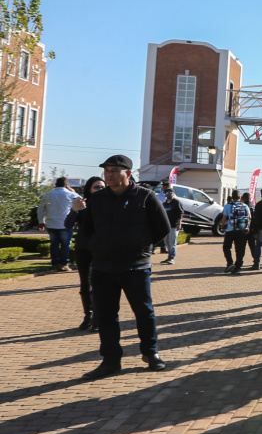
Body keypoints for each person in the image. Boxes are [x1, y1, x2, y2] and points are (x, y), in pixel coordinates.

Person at [80, 155, 171, 380]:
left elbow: (163, 227)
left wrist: (142, 248)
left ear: (127, 174)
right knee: (106, 315)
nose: (109, 175)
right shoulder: (97, 199)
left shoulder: (145, 197)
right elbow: (87, 229)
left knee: (143, 312)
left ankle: (151, 353)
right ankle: (110, 361)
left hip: (135, 268)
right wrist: (97, 247)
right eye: (106, 171)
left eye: (114, 171)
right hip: (102, 268)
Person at [65, 176, 105, 331]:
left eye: (102, 187)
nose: (100, 190)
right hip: (83, 248)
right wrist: (75, 210)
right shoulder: (81, 204)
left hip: (101, 249)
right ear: (89, 189)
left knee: (99, 284)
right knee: (85, 284)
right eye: (96, 187)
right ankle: (87, 315)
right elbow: (67, 224)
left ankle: (97, 317)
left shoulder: (108, 204)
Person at [37, 177, 80, 272]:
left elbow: (41, 209)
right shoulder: (71, 194)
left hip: (51, 223)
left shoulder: (47, 194)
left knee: (54, 244)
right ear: (66, 185)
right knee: (65, 245)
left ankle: (55, 264)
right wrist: (73, 191)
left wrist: (41, 221)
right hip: (66, 224)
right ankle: (64, 264)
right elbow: (82, 204)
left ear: (56, 184)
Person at [221, 190, 251, 274]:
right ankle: (238, 267)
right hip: (241, 230)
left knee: (226, 247)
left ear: (232, 197)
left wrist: (222, 226)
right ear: (240, 197)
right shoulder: (245, 206)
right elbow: (249, 217)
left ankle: (230, 263)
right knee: (240, 249)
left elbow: (224, 218)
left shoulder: (228, 206)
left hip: (230, 230)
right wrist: (247, 227)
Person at [160, 186, 183, 265]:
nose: (169, 194)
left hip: (174, 226)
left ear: (173, 193)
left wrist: (179, 223)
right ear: (165, 194)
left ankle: (172, 257)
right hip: (166, 226)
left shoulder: (176, 202)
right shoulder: (164, 204)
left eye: (170, 192)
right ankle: (169, 256)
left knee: (172, 243)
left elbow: (180, 214)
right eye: (167, 192)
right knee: (166, 242)